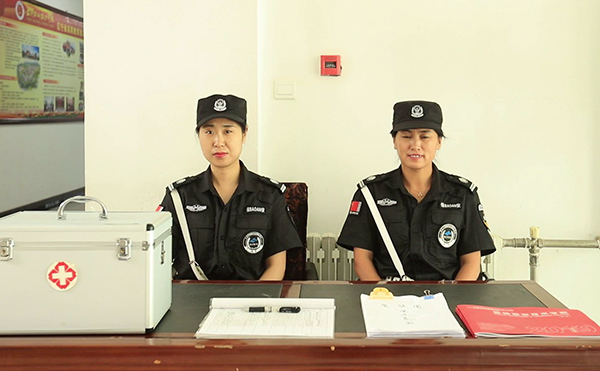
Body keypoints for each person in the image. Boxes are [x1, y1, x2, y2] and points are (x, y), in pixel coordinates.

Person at [337, 100, 495, 281]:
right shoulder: (370, 194)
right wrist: (382, 293)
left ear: (439, 142)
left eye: (425, 136)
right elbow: (362, 260)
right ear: (394, 141)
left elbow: (471, 263)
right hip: (388, 292)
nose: (415, 145)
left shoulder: (463, 194)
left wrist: (453, 294)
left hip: (447, 292)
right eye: (406, 136)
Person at [158, 94, 302, 280]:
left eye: (227, 131)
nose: (218, 142)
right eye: (209, 132)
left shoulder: (269, 195)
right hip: (192, 296)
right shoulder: (179, 197)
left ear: (244, 134)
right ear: (198, 135)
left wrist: (255, 298)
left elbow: (276, 266)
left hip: (252, 296)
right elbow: (158, 262)